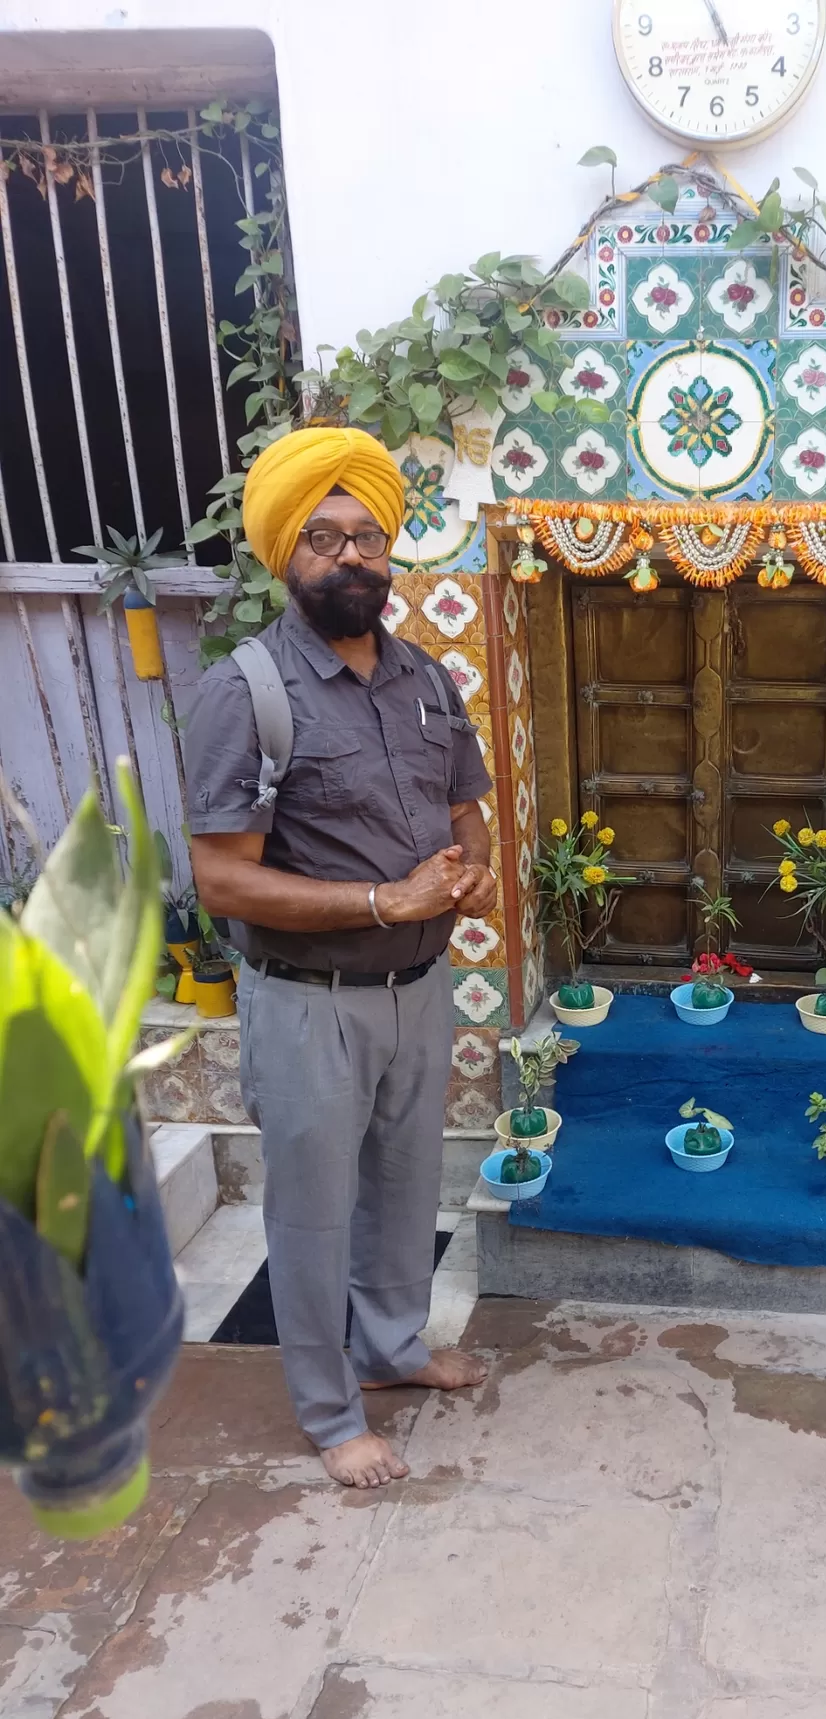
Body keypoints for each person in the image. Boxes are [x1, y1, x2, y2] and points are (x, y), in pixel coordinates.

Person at [185, 426, 496, 1489]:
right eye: (323, 536)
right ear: (286, 555)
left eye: (367, 535)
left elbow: (468, 803)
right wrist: (379, 897)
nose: (350, 555)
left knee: (409, 1189)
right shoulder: (251, 690)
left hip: (420, 990)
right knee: (314, 1211)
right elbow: (222, 880)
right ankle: (329, 1410)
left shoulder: (426, 679)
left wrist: (476, 868)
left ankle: (396, 1351)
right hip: (309, 1002)